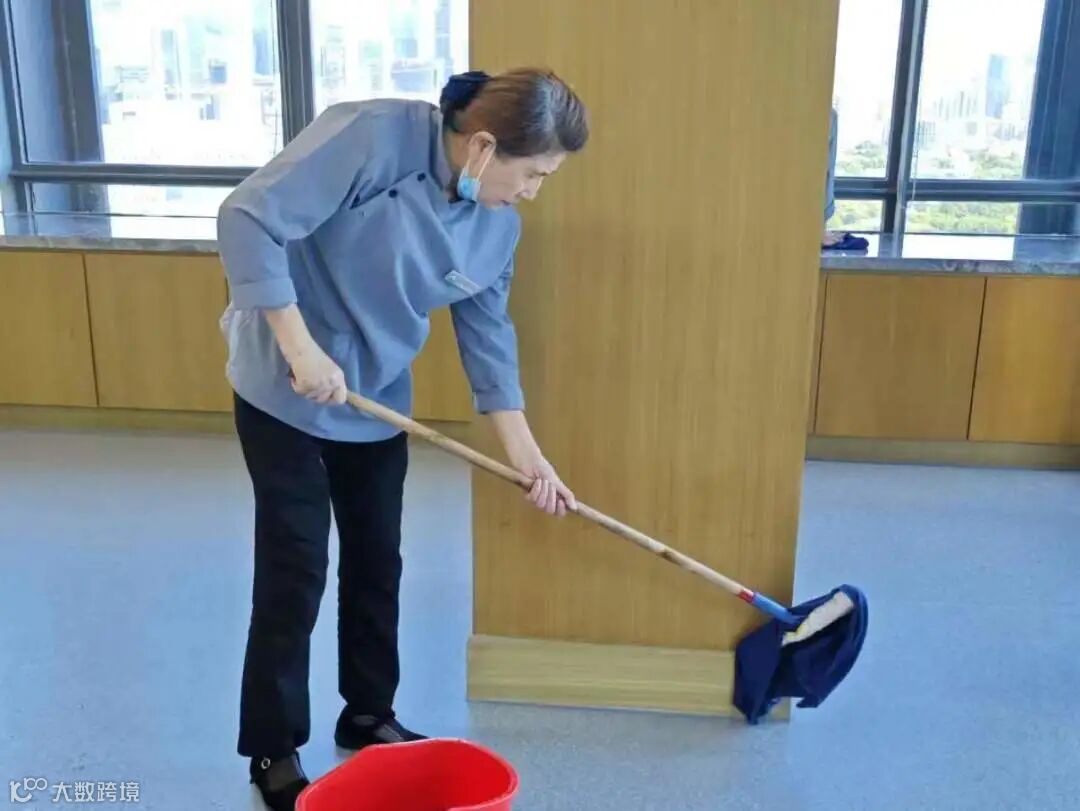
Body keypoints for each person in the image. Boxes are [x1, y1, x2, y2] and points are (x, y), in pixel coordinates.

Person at [216, 68, 589, 811]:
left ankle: (367, 712)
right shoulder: (373, 135)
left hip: (375, 399)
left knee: (377, 558)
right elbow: (247, 218)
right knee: (296, 565)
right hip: (284, 383)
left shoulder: (497, 228)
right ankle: (274, 746)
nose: (532, 192)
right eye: (534, 174)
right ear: (484, 146)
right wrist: (299, 348)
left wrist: (531, 460)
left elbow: (489, 341)